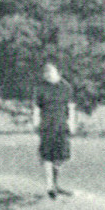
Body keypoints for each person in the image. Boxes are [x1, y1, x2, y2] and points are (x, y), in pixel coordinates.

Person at [31, 62, 77, 198]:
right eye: (45, 73)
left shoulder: (66, 87)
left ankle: (55, 184)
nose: (47, 75)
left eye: (50, 72)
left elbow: (71, 107)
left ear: (57, 72)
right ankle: (50, 187)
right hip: (46, 124)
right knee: (47, 155)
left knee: (61, 156)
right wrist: (35, 122)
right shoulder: (40, 88)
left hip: (61, 124)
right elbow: (36, 108)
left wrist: (72, 123)